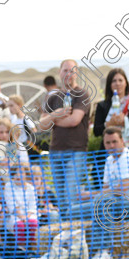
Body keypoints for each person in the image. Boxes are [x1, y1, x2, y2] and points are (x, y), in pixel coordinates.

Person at [76, 127, 129, 259]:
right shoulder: (109, 160)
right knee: (72, 211)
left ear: (122, 141)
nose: (111, 146)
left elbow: (122, 190)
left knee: (102, 202)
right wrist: (87, 195)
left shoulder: (128, 158)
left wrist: (90, 194)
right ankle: (74, 251)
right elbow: (106, 189)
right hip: (116, 203)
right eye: (108, 143)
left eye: (114, 142)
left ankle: (104, 251)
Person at [39, 59, 92, 218]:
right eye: (65, 70)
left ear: (77, 73)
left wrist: (52, 120)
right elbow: (41, 125)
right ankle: (66, 231)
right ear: (59, 73)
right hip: (55, 152)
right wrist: (56, 114)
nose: (68, 74)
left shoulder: (81, 94)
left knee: (70, 195)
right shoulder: (53, 97)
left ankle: (75, 229)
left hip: (76, 152)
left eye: (72, 70)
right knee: (61, 198)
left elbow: (74, 120)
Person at [93, 68, 129, 147]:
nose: (117, 84)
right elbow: (96, 131)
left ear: (126, 83)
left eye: (120, 80)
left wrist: (126, 121)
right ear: (109, 84)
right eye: (114, 81)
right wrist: (109, 124)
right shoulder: (102, 105)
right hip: (110, 149)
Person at [3, 162, 38, 252]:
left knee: (33, 223)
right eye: (15, 173)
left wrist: (27, 217)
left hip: (29, 215)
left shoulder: (31, 188)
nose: (18, 176)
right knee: (20, 226)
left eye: (21, 173)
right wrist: (22, 217)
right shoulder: (9, 186)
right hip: (15, 216)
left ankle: (33, 248)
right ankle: (22, 249)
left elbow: (32, 206)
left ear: (26, 175)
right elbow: (12, 205)